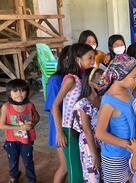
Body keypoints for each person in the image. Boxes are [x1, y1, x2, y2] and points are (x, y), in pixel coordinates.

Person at [52, 43, 95, 183]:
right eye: (89, 58)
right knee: (75, 171)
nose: (93, 62)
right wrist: (59, 131)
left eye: (93, 58)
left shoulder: (84, 78)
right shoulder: (71, 79)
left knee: (83, 170)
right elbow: (55, 105)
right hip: (69, 130)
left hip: (81, 129)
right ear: (78, 59)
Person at [95, 55, 136, 183]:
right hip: (115, 157)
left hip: (131, 152)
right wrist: (129, 145)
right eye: (134, 76)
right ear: (121, 75)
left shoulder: (127, 90)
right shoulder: (109, 101)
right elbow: (99, 133)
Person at [0, 79, 40, 183]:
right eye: (15, 91)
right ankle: (14, 176)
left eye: (22, 90)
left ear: (27, 91)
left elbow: (37, 117)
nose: (19, 94)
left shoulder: (30, 105)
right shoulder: (6, 107)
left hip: (27, 140)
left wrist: (33, 124)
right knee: (12, 160)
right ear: (9, 93)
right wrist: (20, 128)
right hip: (11, 140)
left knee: (28, 161)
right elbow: (2, 125)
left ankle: (31, 179)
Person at [72, 68, 103, 183]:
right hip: (89, 144)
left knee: (104, 174)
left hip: (103, 140)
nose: (103, 82)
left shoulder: (103, 99)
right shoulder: (83, 103)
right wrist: (94, 154)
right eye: (100, 79)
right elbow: (87, 131)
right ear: (90, 82)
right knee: (93, 176)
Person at [44, 45, 70, 183]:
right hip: (59, 126)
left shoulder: (72, 77)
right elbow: (54, 107)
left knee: (70, 166)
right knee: (65, 166)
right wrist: (59, 132)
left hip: (68, 126)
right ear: (66, 59)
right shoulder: (56, 80)